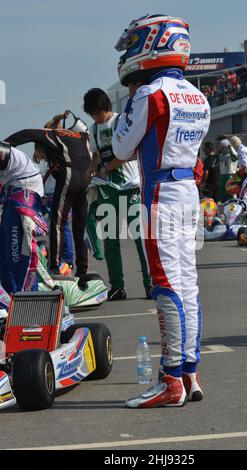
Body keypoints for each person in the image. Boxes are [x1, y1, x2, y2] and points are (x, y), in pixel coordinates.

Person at [112, 14, 211, 408]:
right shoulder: (199, 96)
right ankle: (189, 372)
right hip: (188, 191)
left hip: (160, 192)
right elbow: (200, 162)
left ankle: (171, 380)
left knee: (166, 284)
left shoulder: (150, 94)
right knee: (188, 284)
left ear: (150, 43)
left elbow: (120, 150)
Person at [83, 88, 152, 301]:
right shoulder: (93, 129)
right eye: (91, 115)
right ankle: (117, 286)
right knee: (110, 240)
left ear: (105, 107)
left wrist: (106, 168)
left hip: (131, 186)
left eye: (97, 113)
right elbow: (95, 155)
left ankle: (150, 284)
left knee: (141, 238)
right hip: (108, 189)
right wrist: (91, 170)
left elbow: (128, 152)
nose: (95, 117)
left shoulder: (122, 121)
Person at [5, 112, 91, 278]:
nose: (43, 159)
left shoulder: (48, 134)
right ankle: (82, 272)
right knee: (79, 228)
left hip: (70, 177)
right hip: (86, 177)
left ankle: (54, 267)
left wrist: (5, 145)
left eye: (42, 155)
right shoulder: (74, 135)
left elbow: (26, 133)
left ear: (41, 146)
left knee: (57, 224)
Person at [0, 141, 47, 294]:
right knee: (3, 251)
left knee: (17, 252)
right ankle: (9, 299)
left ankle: (27, 297)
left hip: (24, 190)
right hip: (11, 189)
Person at [218, 138, 238, 202]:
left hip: (231, 175)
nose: (221, 149)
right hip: (222, 176)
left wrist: (230, 146)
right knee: (223, 194)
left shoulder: (232, 155)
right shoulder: (221, 155)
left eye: (223, 147)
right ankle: (224, 207)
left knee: (231, 193)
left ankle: (234, 206)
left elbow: (235, 157)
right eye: (221, 147)